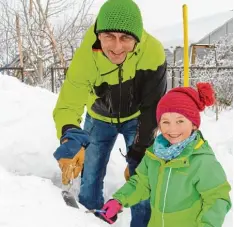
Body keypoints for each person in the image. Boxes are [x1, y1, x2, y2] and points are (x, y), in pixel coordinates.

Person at [52, 0, 167, 226]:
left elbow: (153, 107)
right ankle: (90, 220)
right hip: (99, 117)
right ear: (98, 35)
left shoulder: (152, 52)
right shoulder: (88, 53)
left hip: (137, 118)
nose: (116, 47)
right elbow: (69, 102)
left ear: (137, 37)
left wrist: (138, 152)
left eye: (125, 38)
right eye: (109, 36)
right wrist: (70, 135)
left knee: (143, 179)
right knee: (91, 178)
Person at [99, 83, 232, 226]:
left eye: (180, 121)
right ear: (159, 125)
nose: (172, 128)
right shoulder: (154, 154)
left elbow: (217, 199)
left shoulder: (202, 161)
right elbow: (142, 183)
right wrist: (119, 200)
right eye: (166, 122)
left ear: (193, 124)